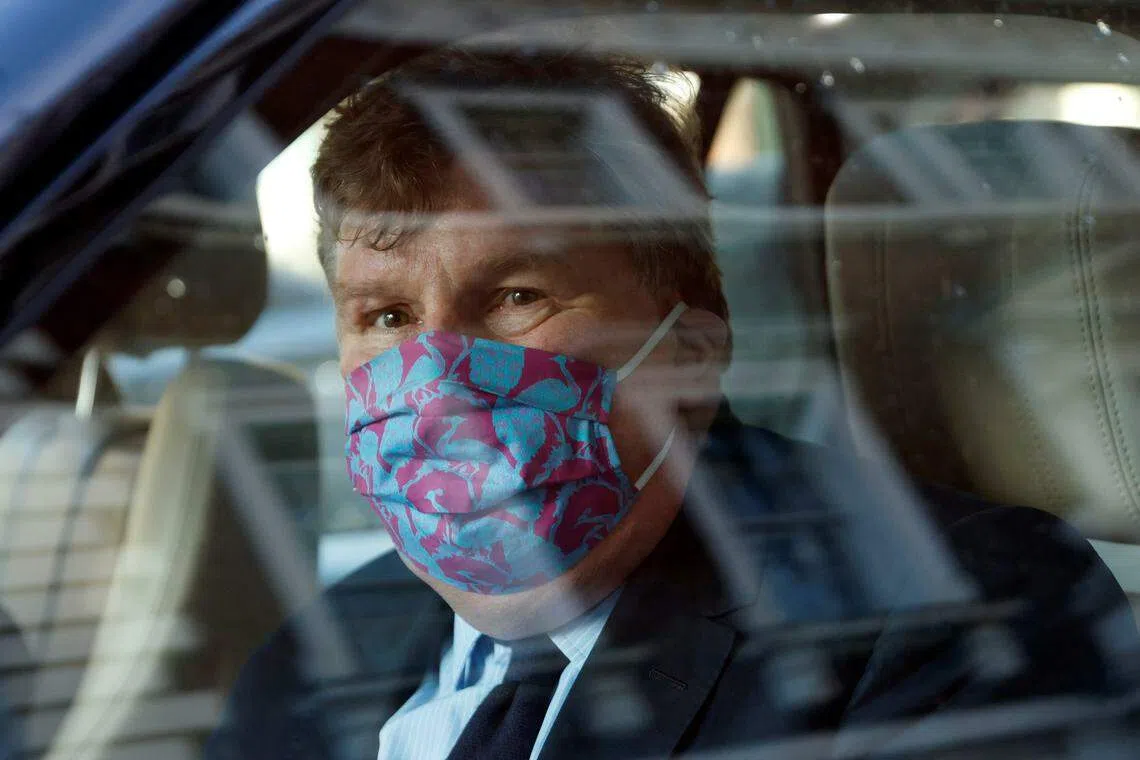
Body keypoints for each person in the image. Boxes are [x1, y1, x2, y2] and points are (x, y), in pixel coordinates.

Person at [204, 49, 1139, 760]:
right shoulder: (314, 657)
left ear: (691, 348)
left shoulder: (951, 614)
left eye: (517, 297)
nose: (435, 376)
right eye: (388, 315)